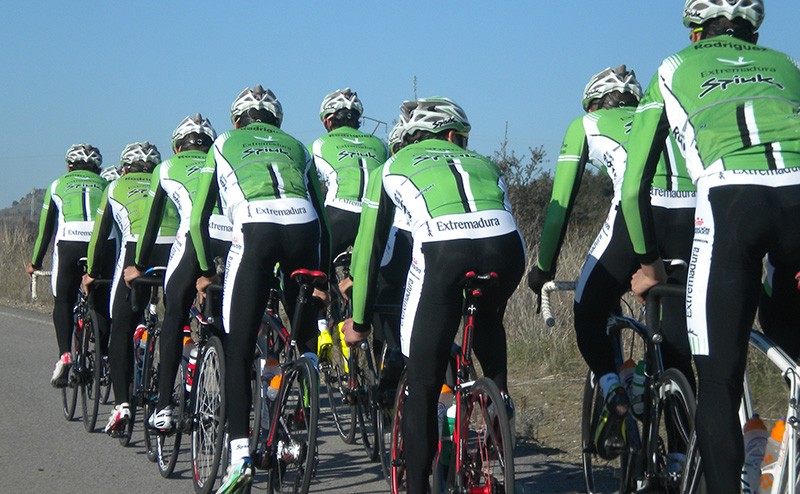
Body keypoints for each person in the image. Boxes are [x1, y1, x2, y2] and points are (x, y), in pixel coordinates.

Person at [621, 1, 800, 490]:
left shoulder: (673, 67)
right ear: (753, 35)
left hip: (732, 199)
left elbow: (634, 186)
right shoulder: (787, 65)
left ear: (696, 35)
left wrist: (651, 264)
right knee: (786, 331)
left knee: (718, 384)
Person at [343, 97, 525, 494]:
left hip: (444, 252)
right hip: (507, 250)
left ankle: (419, 486)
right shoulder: (486, 164)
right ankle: (498, 406)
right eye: (460, 137)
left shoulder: (390, 166)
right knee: (488, 317)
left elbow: (369, 251)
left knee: (422, 382)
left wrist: (359, 322)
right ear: (448, 134)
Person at [526, 65, 696, 459]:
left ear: (593, 101)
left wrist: (543, 270)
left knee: (588, 312)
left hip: (636, 217)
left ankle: (613, 388)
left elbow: (561, 206)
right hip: (692, 218)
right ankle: (680, 459)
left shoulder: (587, 123)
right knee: (675, 347)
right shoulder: (665, 115)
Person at [189, 84, 330, 493]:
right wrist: (320, 277)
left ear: (237, 121)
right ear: (277, 121)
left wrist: (204, 271)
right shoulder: (297, 146)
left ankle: (239, 457)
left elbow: (201, 218)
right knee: (302, 337)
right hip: (304, 228)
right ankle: (302, 424)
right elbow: (321, 214)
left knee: (237, 346)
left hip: (255, 228)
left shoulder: (222, 143)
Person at [123, 114, 230, 431]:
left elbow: (151, 224)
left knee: (174, 316)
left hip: (193, 240)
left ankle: (165, 408)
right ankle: (239, 404)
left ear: (176, 145)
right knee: (228, 322)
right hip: (231, 239)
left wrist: (138, 265)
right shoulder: (222, 159)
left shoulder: (166, 167)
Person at [82, 141, 178, 436]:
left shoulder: (114, 186)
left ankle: (122, 404)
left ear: (124, 168)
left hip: (137, 250)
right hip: (175, 247)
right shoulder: (165, 177)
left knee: (121, 329)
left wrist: (91, 274)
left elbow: (99, 237)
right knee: (177, 320)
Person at [26, 144, 112, 387]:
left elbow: (45, 231)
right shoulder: (107, 185)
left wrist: (35, 262)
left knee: (63, 300)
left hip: (69, 243)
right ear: (98, 168)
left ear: (68, 166)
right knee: (102, 301)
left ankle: (65, 355)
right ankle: (104, 357)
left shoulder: (57, 184)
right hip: (101, 243)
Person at [309, 88, 388, 258]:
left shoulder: (319, 143)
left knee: (316, 265)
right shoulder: (380, 144)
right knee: (374, 273)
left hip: (339, 212)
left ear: (328, 122)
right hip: (375, 214)